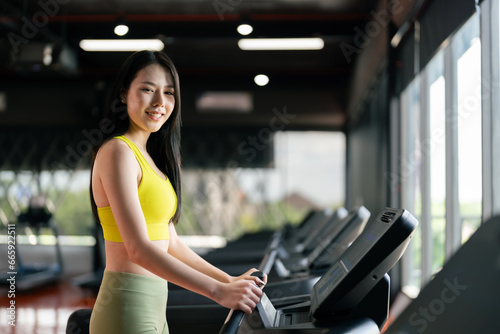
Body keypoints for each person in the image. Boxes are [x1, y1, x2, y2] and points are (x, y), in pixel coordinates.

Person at [88, 50, 266, 334]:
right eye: (147, 89)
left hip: (156, 307)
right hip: (125, 308)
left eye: (169, 93)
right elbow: (138, 249)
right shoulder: (117, 152)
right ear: (124, 94)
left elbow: (172, 243)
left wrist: (229, 280)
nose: (160, 102)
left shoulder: (152, 160)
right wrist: (218, 292)